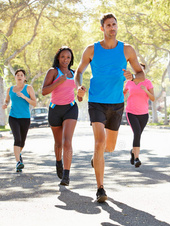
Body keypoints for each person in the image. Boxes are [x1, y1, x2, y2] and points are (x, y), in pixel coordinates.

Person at [75, 13, 145, 202]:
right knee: (99, 143)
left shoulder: (127, 49)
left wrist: (133, 77)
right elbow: (79, 72)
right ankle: (100, 189)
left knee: (110, 147)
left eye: (114, 24)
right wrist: (79, 87)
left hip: (116, 103)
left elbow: (141, 74)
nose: (112, 28)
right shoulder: (92, 49)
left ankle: (97, 158)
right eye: (108, 25)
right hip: (96, 101)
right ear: (102, 28)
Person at [42, 46, 81, 186]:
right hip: (55, 110)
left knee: (67, 141)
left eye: (68, 57)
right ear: (58, 57)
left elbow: (80, 96)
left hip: (70, 108)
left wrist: (81, 94)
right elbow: (44, 91)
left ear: (71, 60)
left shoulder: (74, 73)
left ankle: (66, 175)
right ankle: (59, 162)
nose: (65, 59)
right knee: (58, 143)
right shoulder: (53, 72)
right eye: (63, 56)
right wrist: (58, 82)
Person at [2, 69, 37, 172]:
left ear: (24, 78)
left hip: (25, 118)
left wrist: (24, 97)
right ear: (15, 77)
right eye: (17, 75)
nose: (19, 76)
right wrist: (5, 104)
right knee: (17, 138)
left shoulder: (28, 88)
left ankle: (18, 155)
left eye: (21, 75)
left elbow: (34, 103)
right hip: (13, 117)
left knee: (22, 141)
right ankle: (18, 162)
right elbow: (7, 100)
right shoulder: (10, 89)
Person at [123, 63, 155, 167]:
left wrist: (145, 90)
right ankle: (136, 158)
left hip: (144, 114)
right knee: (137, 133)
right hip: (131, 112)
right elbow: (122, 93)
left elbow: (153, 98)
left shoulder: (148, 82)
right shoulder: (129, 83)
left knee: (138, 135)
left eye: (141, 69)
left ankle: (133, 152)